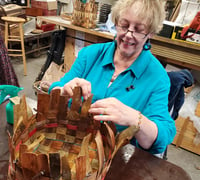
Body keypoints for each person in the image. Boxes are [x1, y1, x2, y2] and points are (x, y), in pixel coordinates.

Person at [49, 0, 176, 156]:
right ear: (115, 23)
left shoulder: (157, 77)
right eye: (124, 25)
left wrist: (135, 119)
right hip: (72, 144)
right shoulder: (90, 55)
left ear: (150, 33)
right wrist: (63, 90)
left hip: (117, 157)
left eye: (138, 29)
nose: (128, 35)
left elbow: (162, 137)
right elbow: (55, 89)